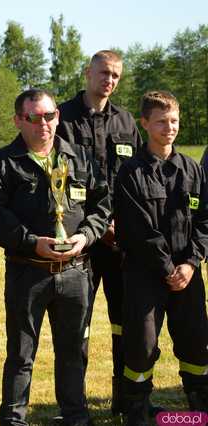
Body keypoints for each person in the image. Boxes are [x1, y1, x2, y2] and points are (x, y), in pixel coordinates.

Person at [0, 88, 110, 426]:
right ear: (18, 121)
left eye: (50, 116)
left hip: (75, 273)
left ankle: (75, 416)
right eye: (34, 118)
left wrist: (87, 235)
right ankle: (13, 418)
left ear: (58, 116)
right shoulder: (4, 162)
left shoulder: (78, 157)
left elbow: (101, 206)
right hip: (29, 272)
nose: (44, 124)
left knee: (72, 351)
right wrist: (30, 242)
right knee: (21, 353)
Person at [55, 50, 146, 416]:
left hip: (122, 242)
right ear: (87, 73)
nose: (109, 80)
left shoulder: (125, 122)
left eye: (116, 76)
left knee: (126, 325)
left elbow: (139, 177)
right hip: (80, 240)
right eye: (104, 73)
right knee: (77, 327)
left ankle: (125, 402)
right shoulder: (62, 118)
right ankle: (73, 406)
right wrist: (95, 225)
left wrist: (122, 225)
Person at [114, 91, 208, 425]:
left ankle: (199, 403)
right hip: (146, 276)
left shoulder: (192, 170)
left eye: (174, 121)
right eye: (161, 121)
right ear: (144, 124)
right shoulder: (130, 173)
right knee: (141, 345)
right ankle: (137, 409)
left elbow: (204, 220)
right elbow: (138, 230)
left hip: (188, 274)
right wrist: (169, 267)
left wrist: (191, 262)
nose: (169, 127)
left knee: (196, 341)